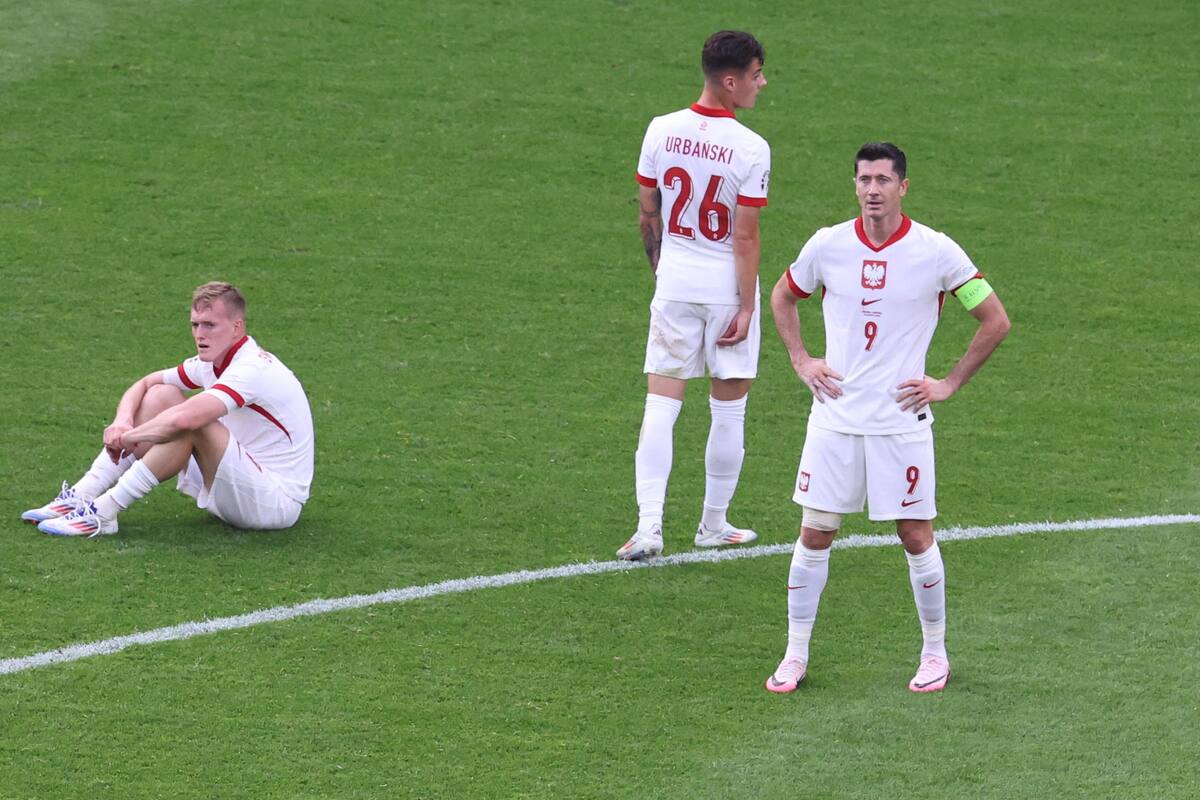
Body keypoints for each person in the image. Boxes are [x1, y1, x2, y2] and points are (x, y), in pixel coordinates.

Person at [764, 142, 1011, 693]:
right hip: (834, 419)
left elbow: (994, 320)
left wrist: (946, 384)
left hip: (900, 424)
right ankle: (794, 655)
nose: (871, 190)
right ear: (855, 186)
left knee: (916, 535)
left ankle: (934, 654)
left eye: (882, 180)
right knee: (814, 533)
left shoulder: (938, 252)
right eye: (863, 179)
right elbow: (782, 296)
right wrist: (802, 360)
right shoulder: (827, 246)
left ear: (903, 187)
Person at [617, 30, 771, 561]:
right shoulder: (750, 147)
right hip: (726, 290)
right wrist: (748, 305)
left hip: (676, 283)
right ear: (731, 81)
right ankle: (712, 524)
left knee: (661, 405)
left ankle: (648, 527)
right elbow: (746, 236)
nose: (761, 83)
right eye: (755, 75)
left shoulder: (661, 130)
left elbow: (647, 213)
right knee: (728, 412)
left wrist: (664, 272)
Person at [22, 282, 314, 537]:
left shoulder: (252, 368)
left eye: (210, 325)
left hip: (274, 503)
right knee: (161, 395)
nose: (200, 334)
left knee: (191, 423)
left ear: (237, 327)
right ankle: (83, 494)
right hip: (240, 480)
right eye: (195, 324)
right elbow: (146, 382)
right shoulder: (211, 363)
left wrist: (129, 438)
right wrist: (121, 422)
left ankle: (103, 513)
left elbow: (187, 418)